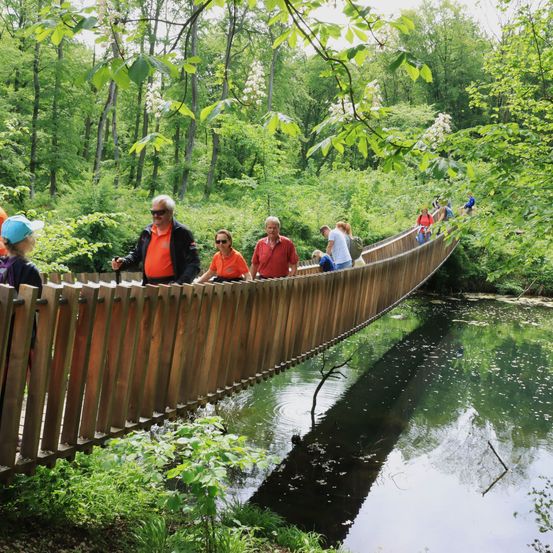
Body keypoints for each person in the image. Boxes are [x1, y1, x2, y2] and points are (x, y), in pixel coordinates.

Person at [111, 195, 200, 285]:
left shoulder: (182, 233)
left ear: (171, 212)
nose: (155, 215)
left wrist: (180, 284)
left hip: (171, 287)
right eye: (153, 212)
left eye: (160, 212)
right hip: (149, 285)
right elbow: (137, 254)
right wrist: (123, 262)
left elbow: (194, 263)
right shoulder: (147, 231)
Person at [0, 215, 43, 293]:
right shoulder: (29, 270)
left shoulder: (1, 263)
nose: (35, 238)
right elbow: (38, 302)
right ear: (26, 240)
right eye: (32, 235)